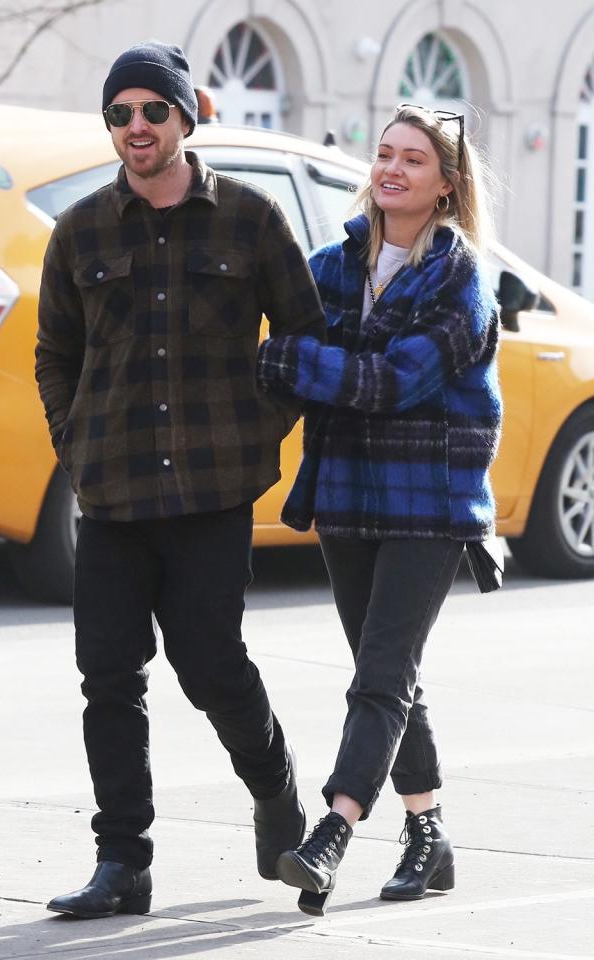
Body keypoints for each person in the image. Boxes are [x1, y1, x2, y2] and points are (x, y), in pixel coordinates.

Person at [35, 40, 326, 919]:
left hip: (211, 493)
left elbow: (303, 339)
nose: (135, 128)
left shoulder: (250, 217)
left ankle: (277, 796)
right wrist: (77, 442)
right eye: (119, 113)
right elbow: (55, 355)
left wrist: (257, 427)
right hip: (114, 492)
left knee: (211, 667)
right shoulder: (81, 230)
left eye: (151, 111)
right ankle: (123, 862)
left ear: (186, 114)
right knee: (108, 678)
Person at [257, 104, 502, 916]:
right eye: (386, 154)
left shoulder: (462, 282)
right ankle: (429, 834)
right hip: (347, 493)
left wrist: (292, 357)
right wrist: (289, 362)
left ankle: (333, 830)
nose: (392, 169)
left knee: (382, 673)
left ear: (446, 184)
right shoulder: (332, 267)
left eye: (414, 161)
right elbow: (302, 372)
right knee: (385, 674)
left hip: (429, 502)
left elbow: (392, 383)